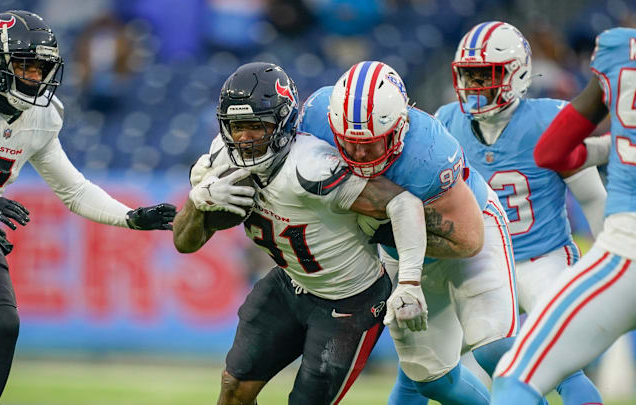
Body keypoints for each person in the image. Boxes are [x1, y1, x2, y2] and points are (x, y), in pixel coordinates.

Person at [0, 10, 176, 405]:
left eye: (41, 68)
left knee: (3, 323)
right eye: (25, 66)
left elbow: (73, 189)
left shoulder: (40, 118)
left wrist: (129, 217)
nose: (36, 78)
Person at [173, 61, 466, 405]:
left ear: (282, 123)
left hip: (350, 302)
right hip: (289, 284)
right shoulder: (223, 161)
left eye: (257, 126)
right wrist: (197, 202)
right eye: (237, 127)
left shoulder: (312, 167)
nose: (246, 138)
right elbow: (184, 242)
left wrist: (410, 282)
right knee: (233, 389)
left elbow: (402, 204)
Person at [390, 21, 605, 405]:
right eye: (468, 76)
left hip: (540, 258)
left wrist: (608, 259)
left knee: (562, 367)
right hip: (476, 260)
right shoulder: (446, 121)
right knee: (418, 372)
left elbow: (592, 197)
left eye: (484, 75)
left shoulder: (551, 119)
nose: (474, 86)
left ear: (517, 74)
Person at [298, 60, 518, 405]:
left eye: (370, 144)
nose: (357, 153)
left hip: (470, 233)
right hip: (400, 250)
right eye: (349, 142)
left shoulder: (428, 152)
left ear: (399, 127)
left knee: (496, 348)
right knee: (432, 379)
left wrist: (393, 235)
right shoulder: (313, 119)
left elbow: (468, 240)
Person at [491, 26, 636, 405]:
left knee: (516, 378)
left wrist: (610, 148)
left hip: (624, 250)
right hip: (507, 266)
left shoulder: (623, 51)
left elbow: (550, 153)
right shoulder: (449, 119)